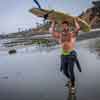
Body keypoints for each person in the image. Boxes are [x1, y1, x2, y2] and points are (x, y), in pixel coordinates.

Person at [49, 18, 82, 91]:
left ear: (68, 26)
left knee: (71, 70)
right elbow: (51, 31)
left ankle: (73, 86)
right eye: (63, 26)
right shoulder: (60, 35)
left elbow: (78, 28)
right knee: (65, 71)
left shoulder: (72, 34)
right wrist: (53, 22)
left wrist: (75, 21)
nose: (64, 27)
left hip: (71, 55)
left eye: (66, 26)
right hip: (63, 55)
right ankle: (70, 79)